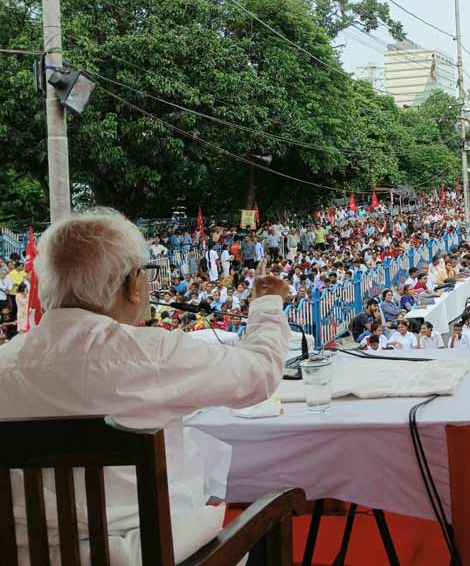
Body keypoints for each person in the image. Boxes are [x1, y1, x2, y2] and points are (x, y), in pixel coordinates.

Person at [0, 209, 291, 565]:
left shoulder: (5, 364)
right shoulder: (153, 353)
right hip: (148, 554)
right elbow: (259, 374)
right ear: (132, 284)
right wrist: (266, 304)